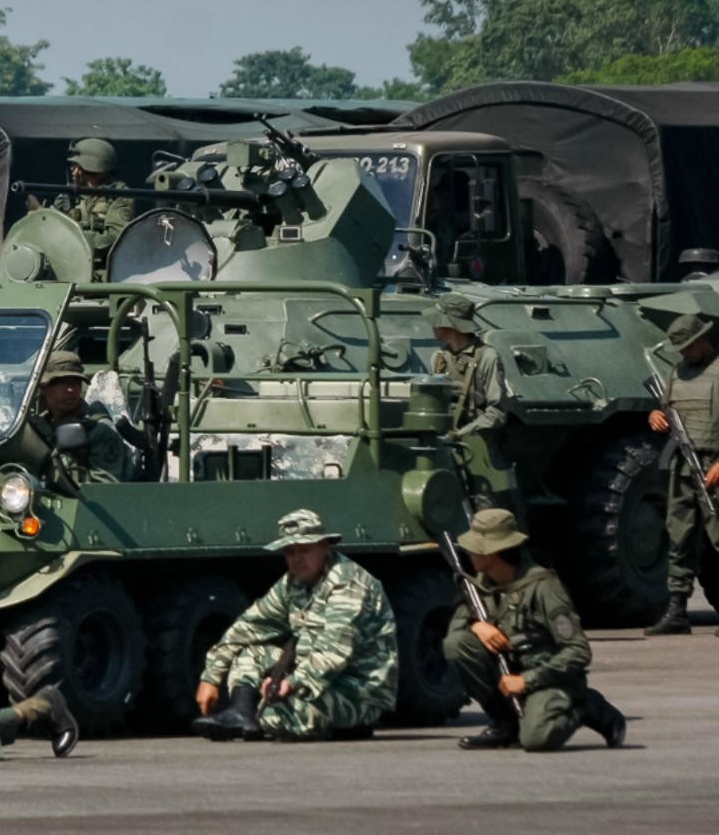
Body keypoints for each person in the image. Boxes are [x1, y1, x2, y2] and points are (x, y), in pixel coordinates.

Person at [192, 509, 398, 741]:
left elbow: (334, 653)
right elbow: (249, 627)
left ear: (324, 547)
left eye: (304, 549)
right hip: (312, 681)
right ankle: (242, 714)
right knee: (251, 653)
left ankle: (348, 723)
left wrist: (289, 683)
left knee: (274, 717)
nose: (297, 558)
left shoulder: (348, 585)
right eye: (290, 551)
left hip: (358, 690)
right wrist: (210, 677)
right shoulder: (293, 584)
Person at [442, 507, 625, 751]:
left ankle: (585, 705)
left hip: (549, 678)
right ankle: (504, 725)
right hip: (510, 675)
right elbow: (457, 629)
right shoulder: (480, 586)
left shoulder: (544, 588)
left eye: (476, 545)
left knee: (536, 739)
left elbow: (578, 651)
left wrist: (527, 681)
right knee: (457, 644)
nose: (469, 550)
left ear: (493, 552)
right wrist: (478, 627)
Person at [644, 313, 719, 635]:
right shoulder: (677, 372)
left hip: (714, 462)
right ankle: (677, 609)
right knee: (680, 535)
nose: (686, 353)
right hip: (684, 464)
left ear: (702, 340)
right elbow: (667, 407)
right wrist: (656, 416)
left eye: (689, 346)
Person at [31, 350, 135, 484]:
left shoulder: (99, 430)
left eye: (75, 383)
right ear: (44, 387)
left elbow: (106, 490)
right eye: (62, 383)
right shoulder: (38, 427)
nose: (70, 390)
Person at [425, 293, 507, 443]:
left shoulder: (488, 357)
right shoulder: (439, 358)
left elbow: (496, 412)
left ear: (450, 325)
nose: (432, 325)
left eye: (436, 321)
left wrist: (460, 434)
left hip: (477, 443)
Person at [61, 138, 136, 260]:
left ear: (94, 168)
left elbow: (112, 240)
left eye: (77, 166)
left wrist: (70, 238)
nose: (73, 171)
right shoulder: (69, 195)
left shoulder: (119, 196)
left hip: (102, 271)